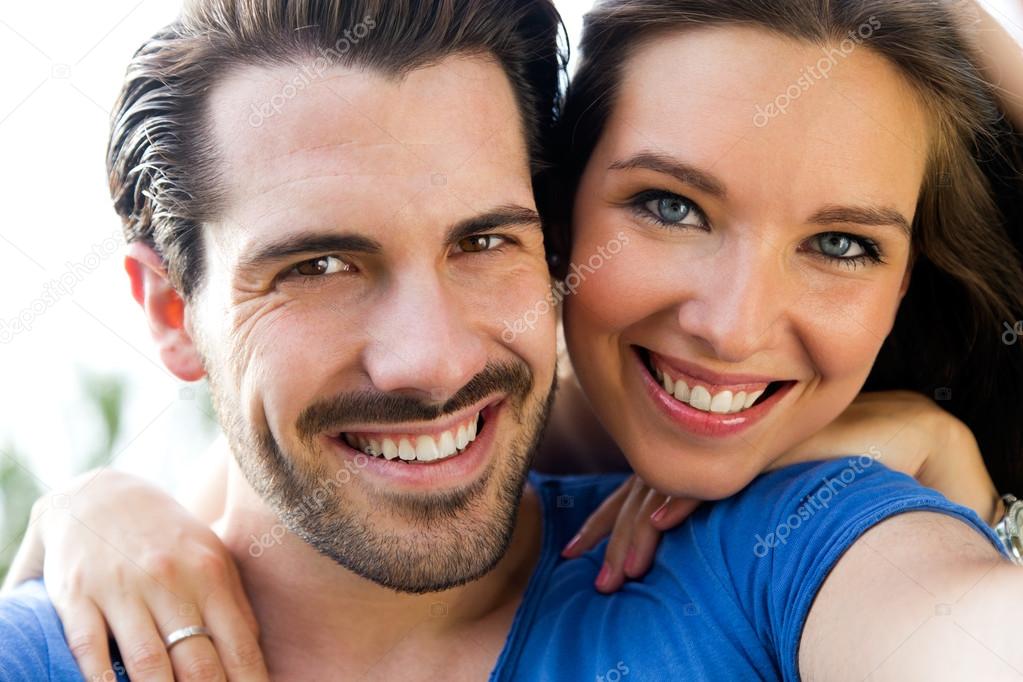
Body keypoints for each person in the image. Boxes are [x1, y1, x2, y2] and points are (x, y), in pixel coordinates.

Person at [3, 0, 1023, 680]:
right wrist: (93, 507)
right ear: (168, 309)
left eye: (482, 240)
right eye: (318, 265)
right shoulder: (75, 634)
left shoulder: (806, 535)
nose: (433, 360)